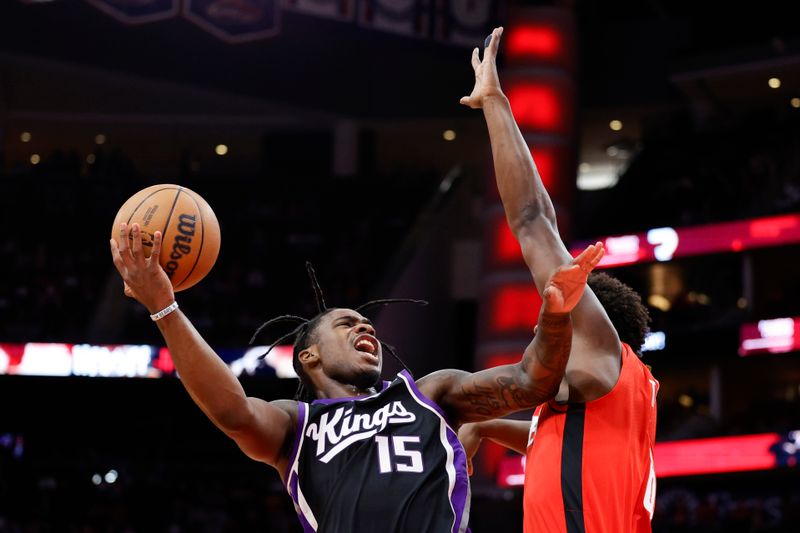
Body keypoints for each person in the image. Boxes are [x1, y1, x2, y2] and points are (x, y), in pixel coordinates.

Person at [109, 220, 604, 532]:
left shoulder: (429, 394)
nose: (365, 327)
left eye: (367, 324)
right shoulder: (295, 425)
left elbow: (530, 382)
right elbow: (231, 410)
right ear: (309, 357)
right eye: (346, 323)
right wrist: (165, 308)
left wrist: (555, 316)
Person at [458, 27, 659, 533]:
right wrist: (480, 428)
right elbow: (543, 435)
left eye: (549, 324)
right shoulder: (606, 391)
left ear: (590, 326)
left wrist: (496, 104)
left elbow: (531, 219)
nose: (540, 334)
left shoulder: (596, 353)